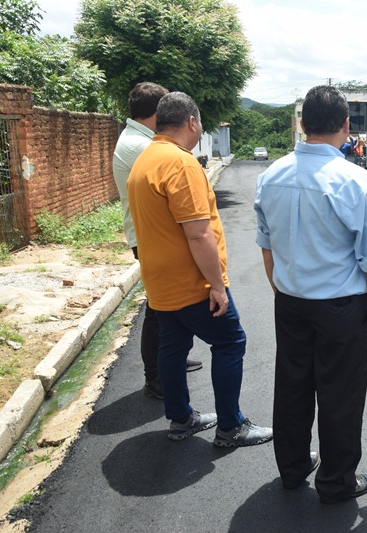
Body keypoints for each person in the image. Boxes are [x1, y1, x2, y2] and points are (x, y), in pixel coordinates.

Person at [254, 85, 367, 504]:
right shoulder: (356, 181)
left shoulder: (271, 176)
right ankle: (336, 482)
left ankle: (293, 467)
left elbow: (267, 247)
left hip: (290, 302)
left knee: (292, 386)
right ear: (346, 125)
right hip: (339, 307)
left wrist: (282, 289)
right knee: (340, 394)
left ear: (302, 123)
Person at [127, 92, 272, 446]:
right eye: (201, 122)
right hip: (191, 283)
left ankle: (181, 419)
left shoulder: (145, 160)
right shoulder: (181, 163)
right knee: (230, 341)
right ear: (191, 121)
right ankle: (231, 427)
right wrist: (217, 286)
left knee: (173, 347)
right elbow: (198, 233)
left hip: (159, 280)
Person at [112, 82, 202, 401]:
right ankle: (155, 376)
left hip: (149, 234)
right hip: (151, 236)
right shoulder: (142, 146)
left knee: (168, 303)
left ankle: (170, 360)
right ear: (156, 112)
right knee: (158, 307)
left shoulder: (139, 139)